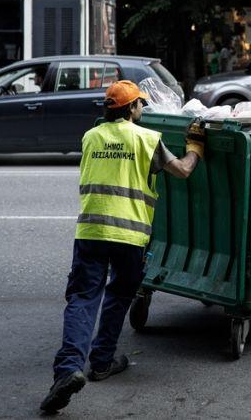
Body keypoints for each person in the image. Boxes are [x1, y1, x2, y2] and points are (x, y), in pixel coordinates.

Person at [40, 80, 204, 415]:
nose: (143, 109)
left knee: (84, 299)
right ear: (130, 109)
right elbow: (184, 171)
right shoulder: (146, 139)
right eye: (140, 105)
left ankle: (68, 369)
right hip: (130, 238)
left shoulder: (90, 137)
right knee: (118, 295)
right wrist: (196, 147)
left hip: (91, 232)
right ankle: (101, 361)